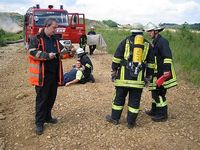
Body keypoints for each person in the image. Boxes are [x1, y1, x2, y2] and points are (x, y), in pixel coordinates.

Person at [28, 18, 73, 135]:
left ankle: (48, 117)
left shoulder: (55, 39)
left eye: (56, 27)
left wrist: (69, 52)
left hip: (54, 75)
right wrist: (48, 55)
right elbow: (32, 52)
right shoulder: (36, 38)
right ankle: (39, 123)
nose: (55, 30)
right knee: (42, 100)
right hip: (42, 76)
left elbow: (61, 52)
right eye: (54, 27)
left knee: (51, 97)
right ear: (46, 26)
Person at [105, 24, 155, 128]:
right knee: (135, 101)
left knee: (119, 98)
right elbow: (151, 63)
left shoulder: (126, 41)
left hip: (123, 79)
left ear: (132, 31)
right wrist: (148, 76)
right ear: (142, 31)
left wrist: (114, 70)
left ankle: (114, 118)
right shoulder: (147, 44)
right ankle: (131, 123)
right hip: (138, 80)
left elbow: (117, 58)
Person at [145, 22, 177, 122]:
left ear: (156, 31)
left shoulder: (163, 42)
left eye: (150, 31)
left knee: (159, 93)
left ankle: (162, 114)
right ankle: (154, 110)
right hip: (156, 72)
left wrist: (166, 70)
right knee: (154, 92)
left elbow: (167, 57)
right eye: (148, 31)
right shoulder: (155, 41)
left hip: (162, 73)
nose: (148, 33)